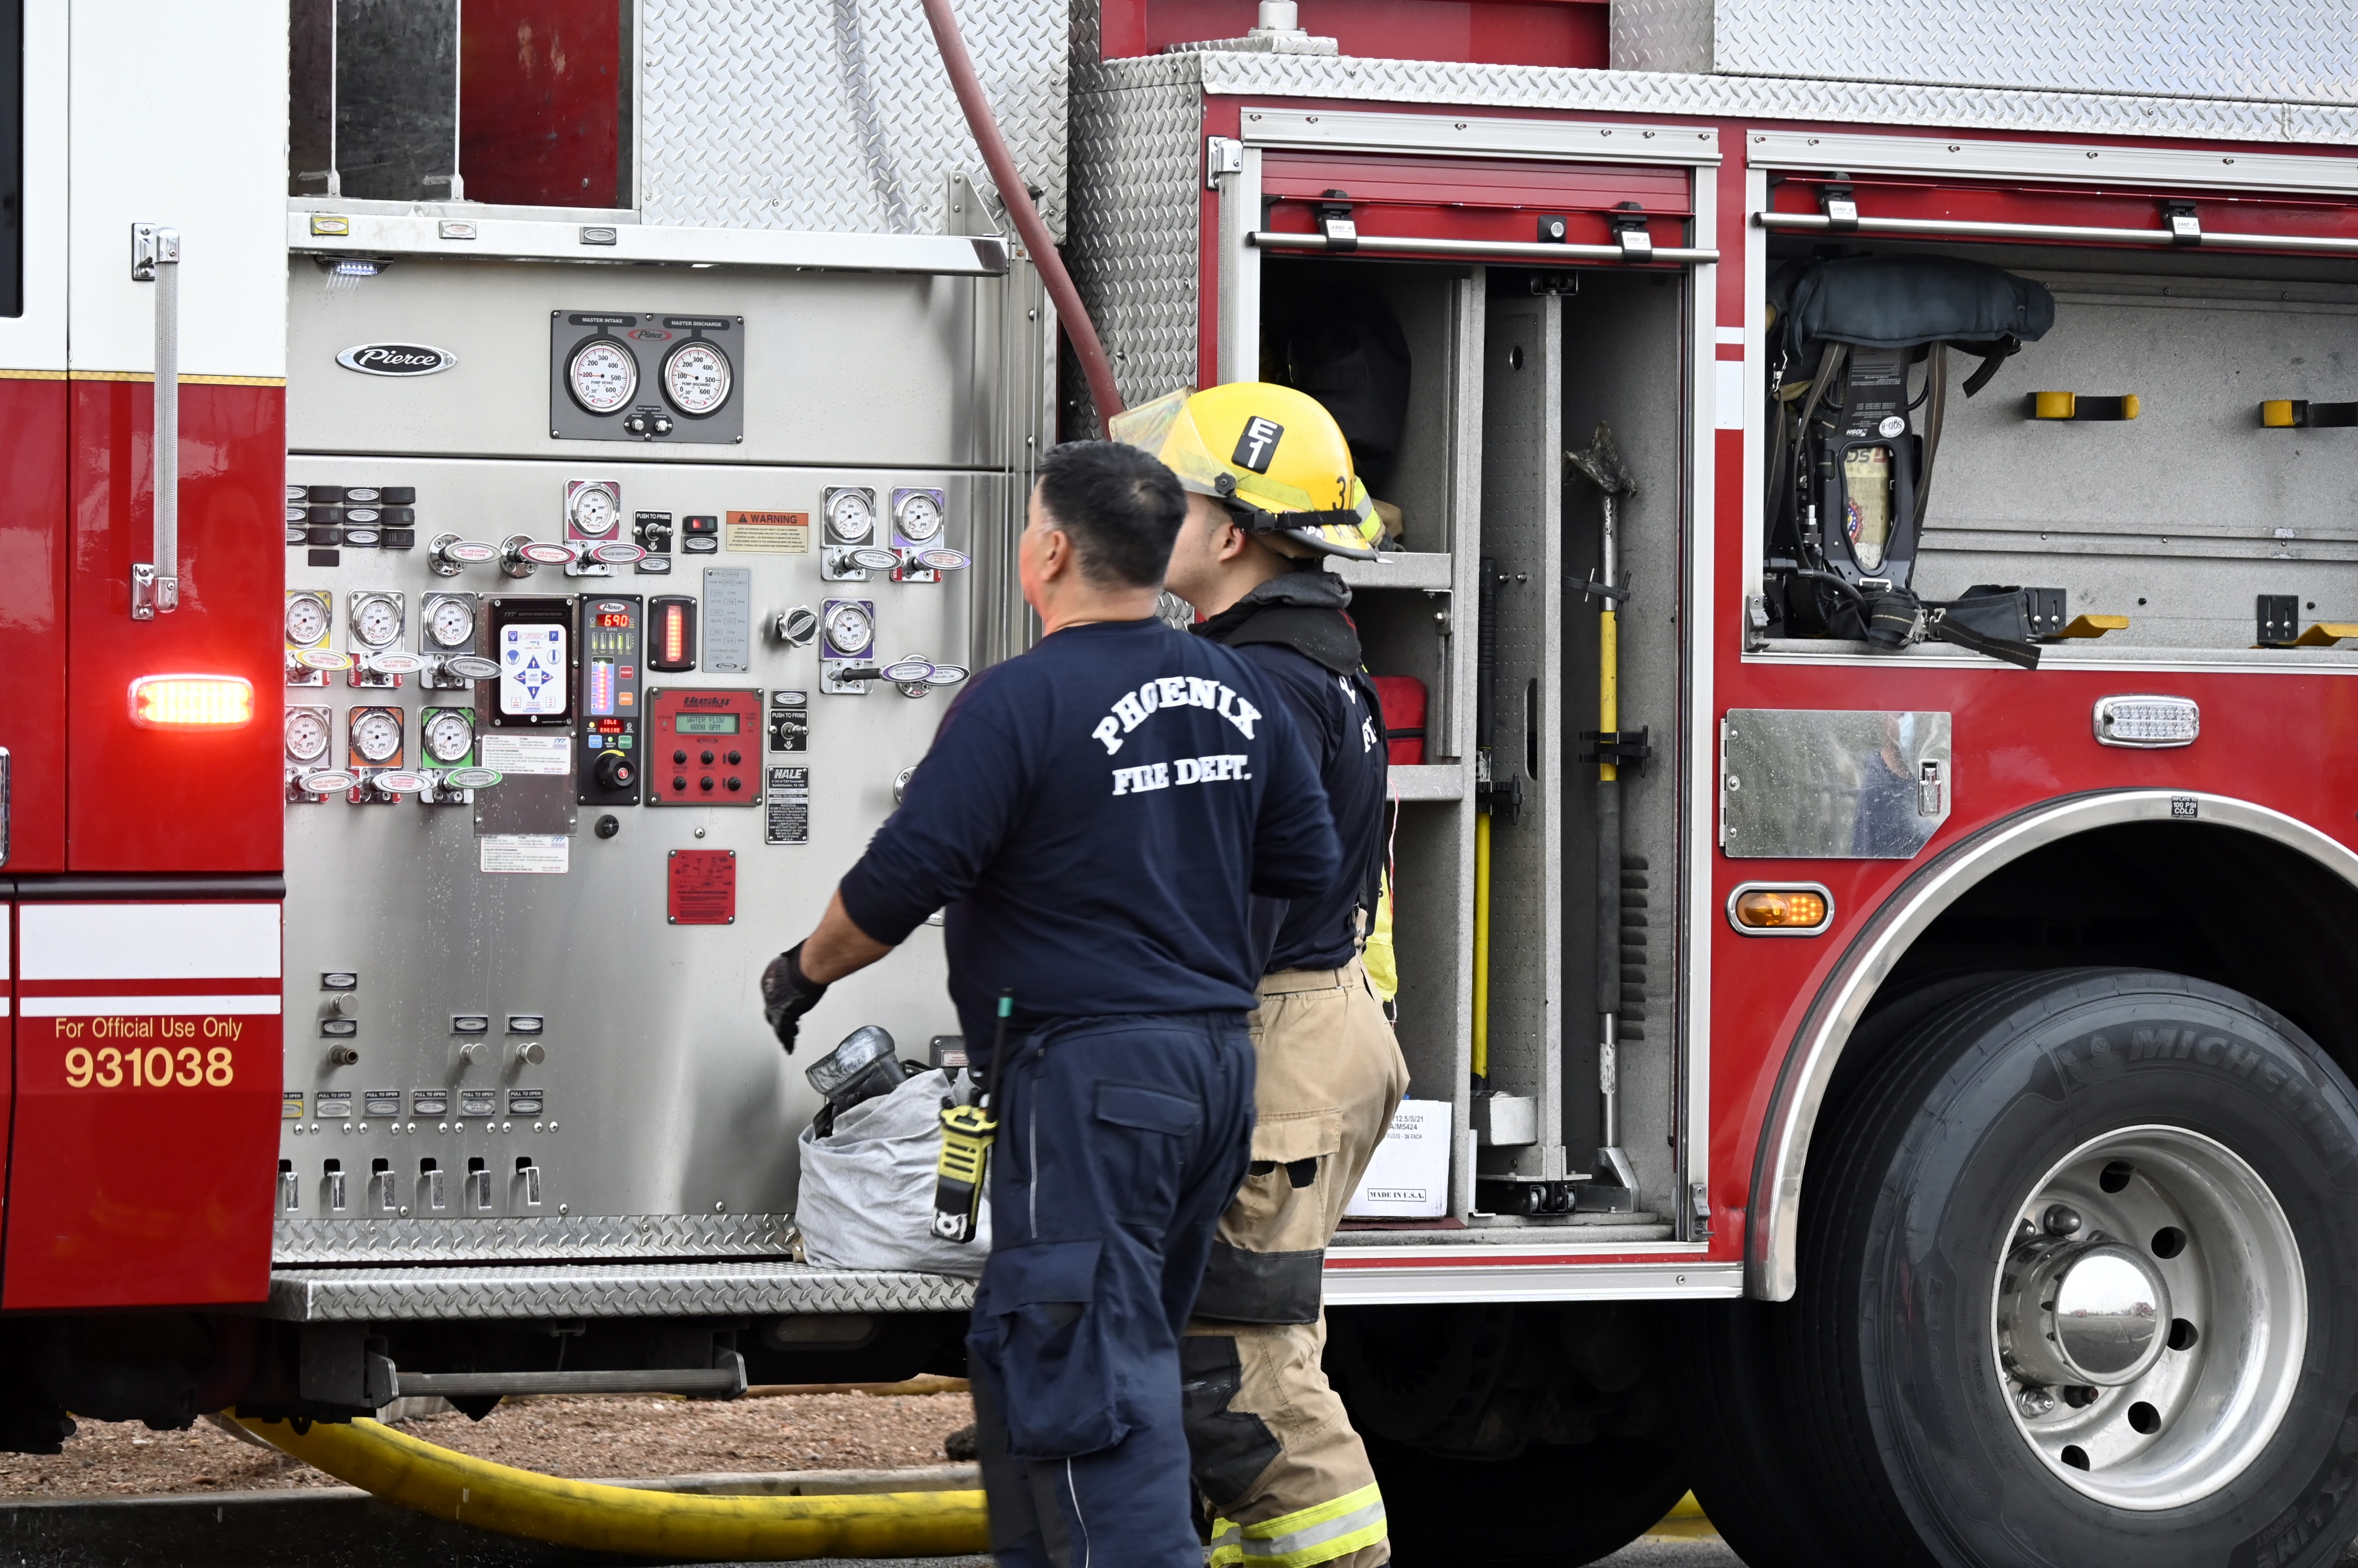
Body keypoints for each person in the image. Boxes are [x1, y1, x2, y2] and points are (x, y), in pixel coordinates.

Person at [758, 440, 1341, 1568]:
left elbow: (900, 881)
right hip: (1209, 1074)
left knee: (1087, 1381)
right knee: (1049, 1353)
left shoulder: (1018, 699)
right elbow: (1306, 863)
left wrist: (804, 972)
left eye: (1030, 525)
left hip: (1089, 1083)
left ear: (1053, 552)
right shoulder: (1237, 690)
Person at [1115, 384, 1410, 1568]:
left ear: (1232, 534)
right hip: (1307, 1029)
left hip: (1266, 1044)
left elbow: (1226, 913)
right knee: (1233, 1350)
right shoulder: (1304, 662)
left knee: (1235, 1372)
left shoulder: (1257, 689)